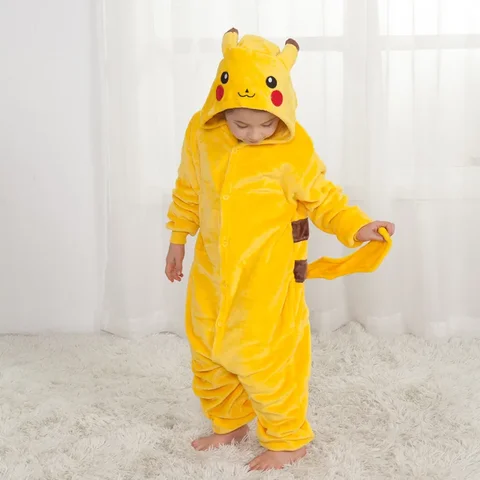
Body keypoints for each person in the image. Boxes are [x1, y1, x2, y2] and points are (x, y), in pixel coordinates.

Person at [165, 28, 395, 472]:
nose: (254, 134)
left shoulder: (293, 148)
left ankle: (288, 439)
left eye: (265, 124)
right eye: (241, 124)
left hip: (267, 278)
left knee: (266, 357)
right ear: (221, 107)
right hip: (211, 271)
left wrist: (357, 226)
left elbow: (324, 199)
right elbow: (189, 189)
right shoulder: (202, 133)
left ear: (282, 109)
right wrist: (178, 239)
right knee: (207, 350)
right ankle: (229, 421)